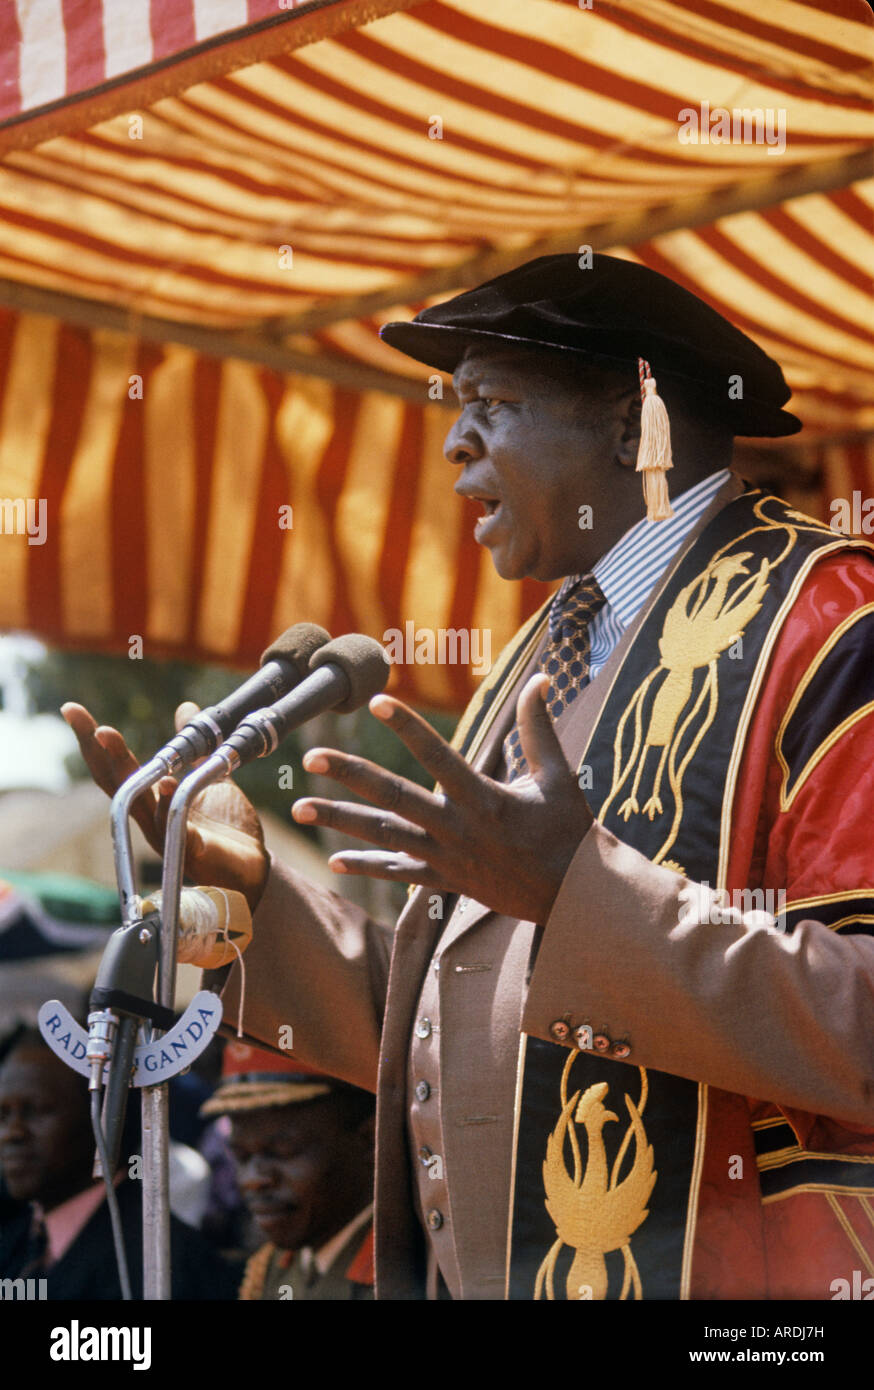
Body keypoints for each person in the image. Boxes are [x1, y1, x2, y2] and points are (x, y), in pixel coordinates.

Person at [63, 254, 874, 1300]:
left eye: (491, 402)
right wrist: (252, 896)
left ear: (637, 428)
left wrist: (584, 902)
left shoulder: (827, 621)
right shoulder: (539, 656)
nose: (452, 439)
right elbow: (447, 1031)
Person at [0, 1025, 241, 1299]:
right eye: (3, 1115)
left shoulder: (161, 1268)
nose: (12, 1133)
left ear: (108, 1116)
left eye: (38, 1110)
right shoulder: (20, 1238)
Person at [201, 1042, 375, 1300]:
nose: (252, 1180)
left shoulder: (408, 1275)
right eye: (241, 1156)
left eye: (282, 1152)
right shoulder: (274, 1266)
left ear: (370, 1141)